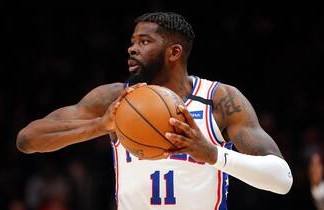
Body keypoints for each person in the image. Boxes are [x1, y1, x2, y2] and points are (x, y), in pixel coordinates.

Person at [16, 12, 293, 210]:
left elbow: (282, 180)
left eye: (144, 42)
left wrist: (213, 154)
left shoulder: (218, 100)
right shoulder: (115, 98)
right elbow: (27, 140)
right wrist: (99, 125)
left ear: (174, 52)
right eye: (133, 41)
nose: (132, 49)